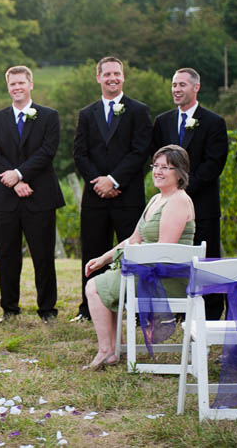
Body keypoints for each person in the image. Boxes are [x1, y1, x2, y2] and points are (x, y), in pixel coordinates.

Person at [83, 145, 195, 370]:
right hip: (150, 270)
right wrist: (103, 259)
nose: (158, 171)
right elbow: (134, 239)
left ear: (179, 172)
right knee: (99, 281)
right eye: (156, 166)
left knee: (94, 287)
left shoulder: (178, 201)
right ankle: (115, 347)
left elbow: (164, 251)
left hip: (167, 277)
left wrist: (130, 258)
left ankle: (108, 351)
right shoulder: (157, 199)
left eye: (166, 167)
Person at [73, 57, 152, 321]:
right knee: (93, 251)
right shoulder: (86, 114)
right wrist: (99, 181)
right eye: (107, 74)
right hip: (95, 197)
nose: (112, 78)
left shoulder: (138, 111)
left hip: (127, 196)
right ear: (98, 78)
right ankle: (89, 309)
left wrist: (115, 180)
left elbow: (141, 151)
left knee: (132, 253)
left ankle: (137, 309)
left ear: (123, 77)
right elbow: (80, 153)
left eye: (117, 74)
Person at [0, 65, 64, 324]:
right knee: (7, 256)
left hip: (39, 195)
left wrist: (19, 174)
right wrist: (13, 181)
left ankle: (47, 310)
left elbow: (47, 151)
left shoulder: (49, 116)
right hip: (7, 199)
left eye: (21, 83)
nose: (17, 87)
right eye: (12, 84)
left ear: (30, 84)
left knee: (43, 255)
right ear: (8, 87)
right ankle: (9, 309)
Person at [151, 68, 228, 319]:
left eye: (182, 85)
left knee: (207, 259)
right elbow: (156, 159)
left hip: (203, 204)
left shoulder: (214, 122)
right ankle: (177, 309)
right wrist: (169, 192)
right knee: (174, 258)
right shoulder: (162, 121)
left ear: (196, 87)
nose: (176, 89)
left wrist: (181, 188)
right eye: (173, 84)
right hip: (169, 208)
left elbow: (214, 163)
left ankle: (212, 312)